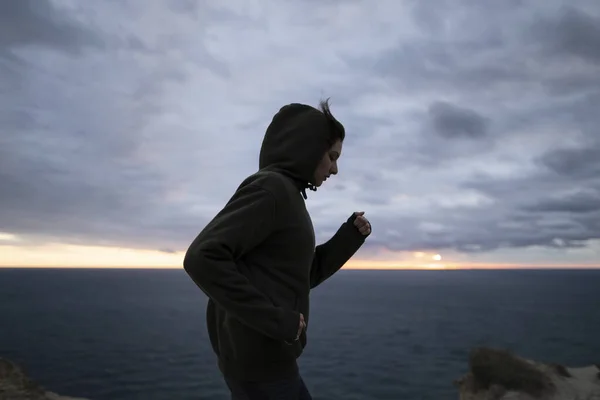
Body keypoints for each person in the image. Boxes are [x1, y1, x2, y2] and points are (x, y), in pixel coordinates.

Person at [183, 99, 371, 400]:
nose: (335, 169)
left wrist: (348, 239)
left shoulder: (288, 195)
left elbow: (297, 274)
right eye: (332, 156)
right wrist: (275, 320)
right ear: (309, 149)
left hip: (263, 358)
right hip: (261, 362)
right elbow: (202, 258)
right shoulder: (271, 189)